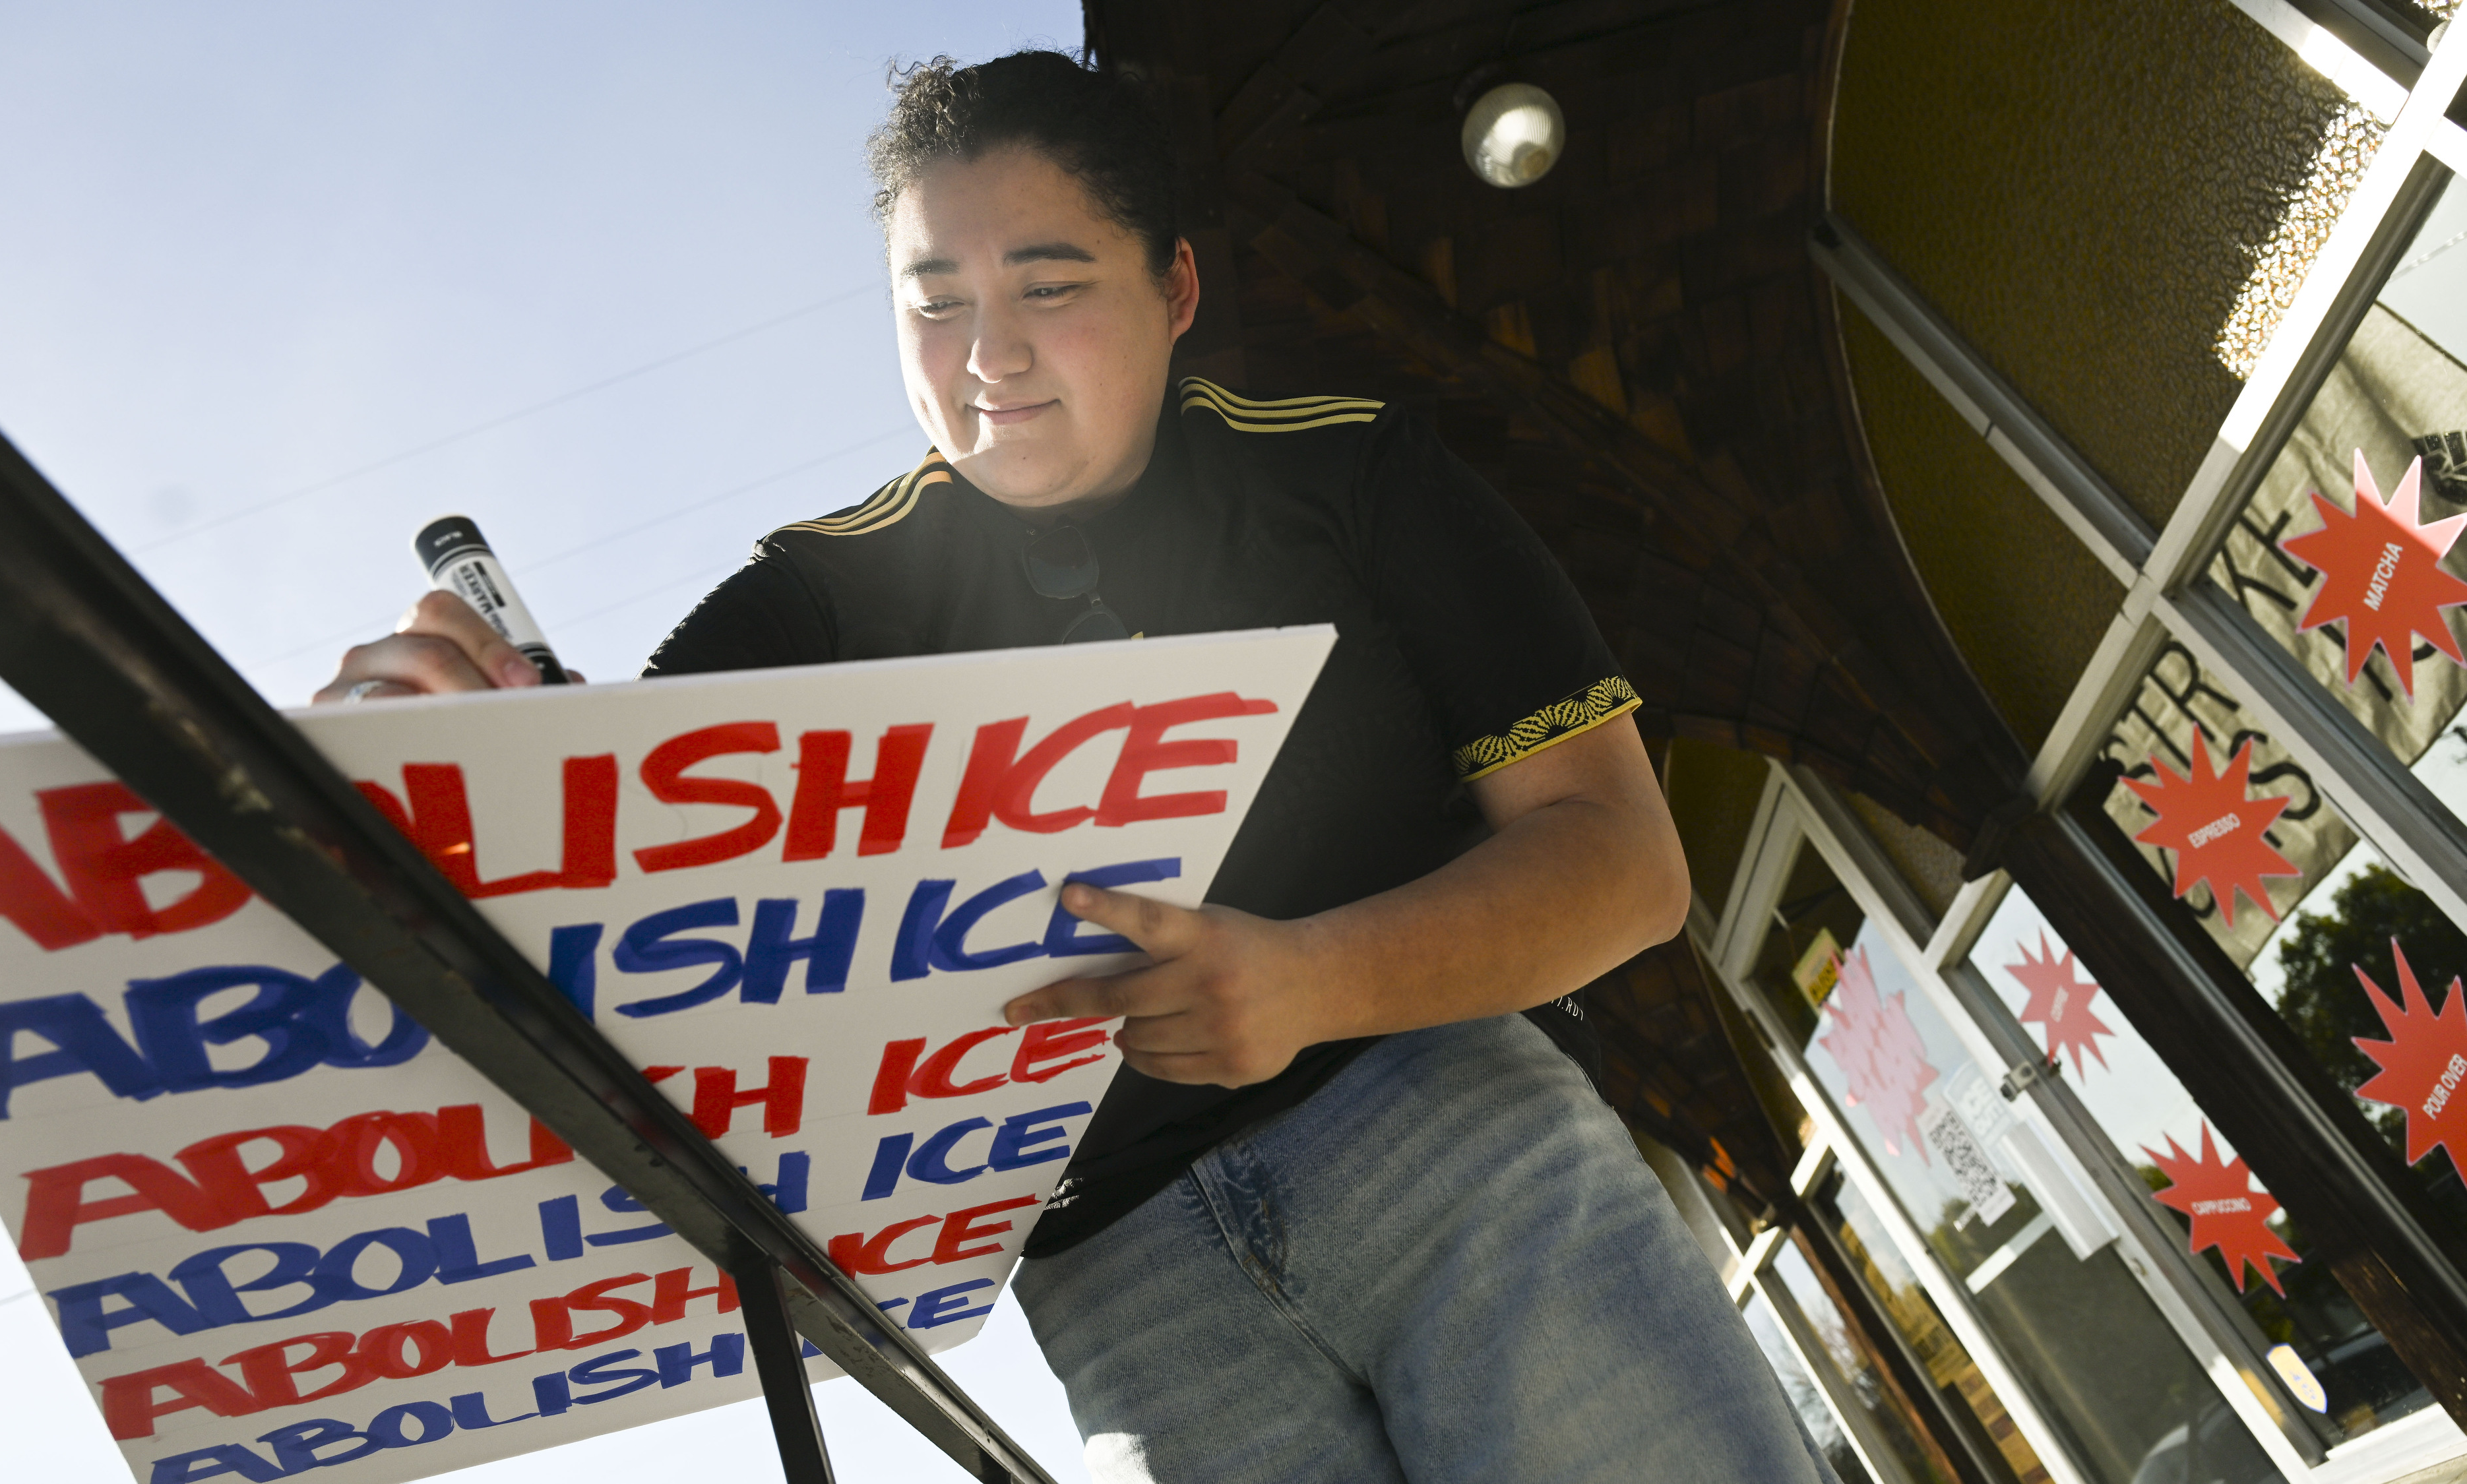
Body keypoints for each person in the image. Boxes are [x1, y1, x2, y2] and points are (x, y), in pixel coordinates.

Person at [319, 49, 1838, 1484]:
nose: (987, 357)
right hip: (1113, 1286)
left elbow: (1622, 863)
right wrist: (441, 776)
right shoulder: (804, 601)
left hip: (1448, 1132)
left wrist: (1311, 976)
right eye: (932, 302)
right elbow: (609, 888)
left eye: (1049, 284)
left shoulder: (1353, 472)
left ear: (1175, 288)